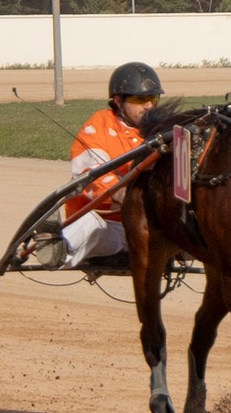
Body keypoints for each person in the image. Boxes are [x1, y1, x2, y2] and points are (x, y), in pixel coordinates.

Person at [53, 61, 163, 268]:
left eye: (153, 98)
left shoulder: (162, 130)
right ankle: (57, 247)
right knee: (90, 225)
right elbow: (91, 176)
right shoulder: (97, 127)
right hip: (110, 227)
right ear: (118, 101)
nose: (149, 106)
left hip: (153, 230)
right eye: (140, 99)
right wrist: (125, 193)